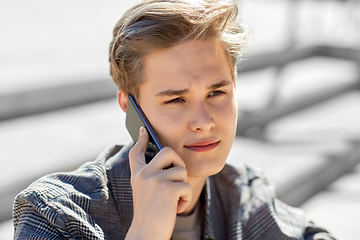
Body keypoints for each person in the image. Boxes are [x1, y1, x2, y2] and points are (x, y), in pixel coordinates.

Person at [13, 0, 335, 239]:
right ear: (130, 106)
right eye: (176, 99)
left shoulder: (242, 197)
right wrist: (145, 232)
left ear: (235, 86)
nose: (204, 121)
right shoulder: (55, 214)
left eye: (216, 93)